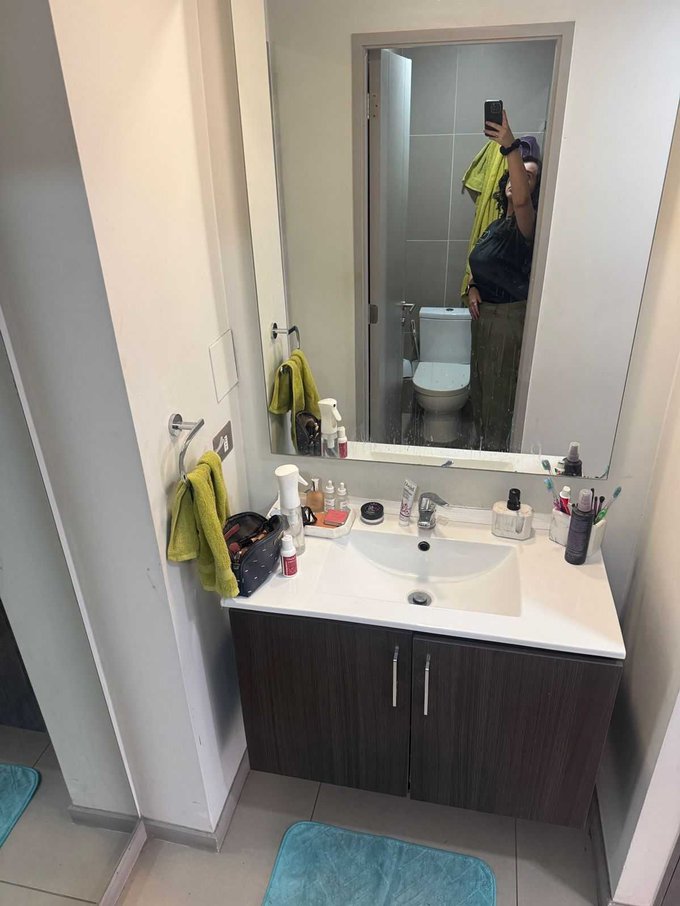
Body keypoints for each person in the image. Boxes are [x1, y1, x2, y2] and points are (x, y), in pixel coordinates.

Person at [466, 110, 542, 452]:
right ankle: (483, 452)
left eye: (529, 176)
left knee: (498, 402)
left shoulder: (526, 226)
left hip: (508, 323)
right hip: (486, 321)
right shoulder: (498, 224)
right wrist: (473, 287)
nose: (519, 179)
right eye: (516, 172)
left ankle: (495, 461)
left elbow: (522, 201)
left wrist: (510, 145)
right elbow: (483, 265)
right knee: (482, 393)